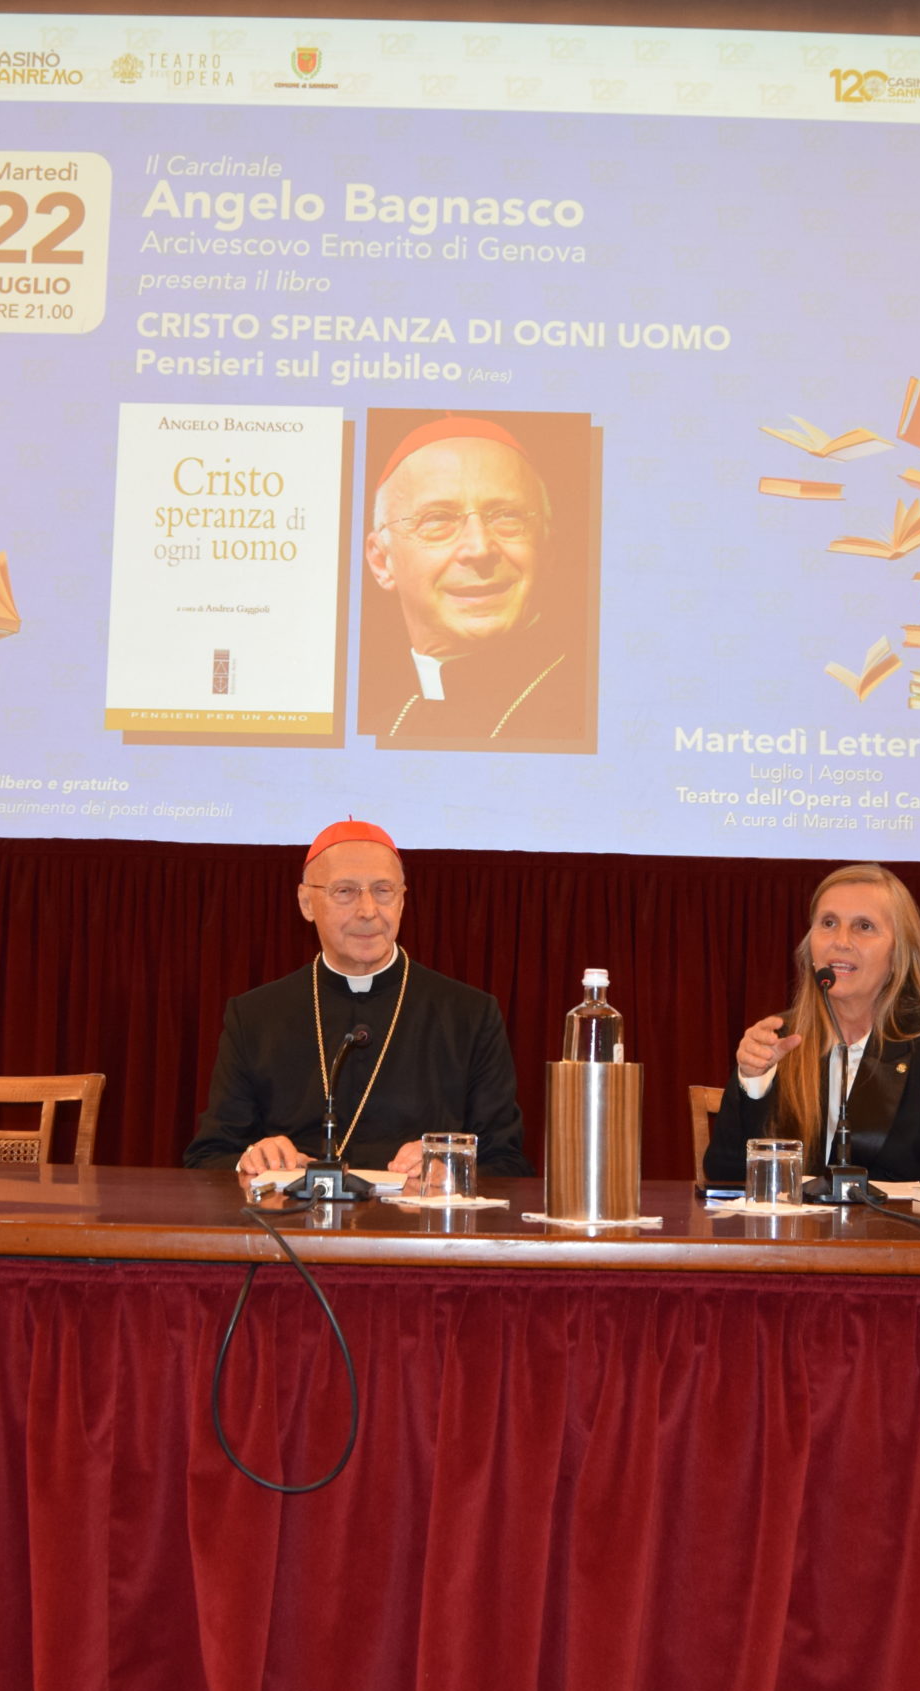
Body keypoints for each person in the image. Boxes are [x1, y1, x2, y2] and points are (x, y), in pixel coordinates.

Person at [184, 817, 529, 1181]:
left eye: (383, 890)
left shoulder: (469, 1015)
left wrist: (451, 1167)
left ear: (402, 901)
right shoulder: (255, 1015)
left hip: (415, 1216)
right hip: (296, 1215)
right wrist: (252, 1159)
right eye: (345, 891)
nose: (367, 910)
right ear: (306, 902)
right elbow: (209, 1156)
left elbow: (508, 1163)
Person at [705, 862, 920, 1188]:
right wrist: (754, 1081)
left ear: (899, 952)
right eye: (828, 923)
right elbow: (724, 1177)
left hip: (897, 1222)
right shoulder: (780, 1037)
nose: (841, 941)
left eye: (864, 926)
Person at [362, 415, 590, 747]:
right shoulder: (376, 731)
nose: (480, 548)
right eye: (437, 519)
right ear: (382, 561)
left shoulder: (593, 711)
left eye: (507, 516)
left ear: (548, 550)